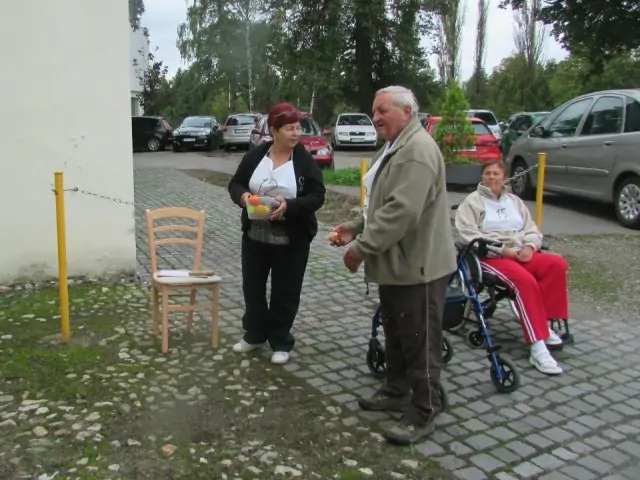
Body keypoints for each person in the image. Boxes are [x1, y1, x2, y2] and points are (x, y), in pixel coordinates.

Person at [329, 86, 457, 446]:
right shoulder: (396, 146)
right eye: (374, 111)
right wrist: (355, 225)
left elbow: (401, 212)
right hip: (398, 266)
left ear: (406, 110)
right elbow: (379, 203)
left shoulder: (416, 151)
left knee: (420, 341)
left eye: (382, 110)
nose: (376, 117)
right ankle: (396, 390)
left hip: (419, 267)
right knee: (398, 335)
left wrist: (361, 247)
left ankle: (423, 411)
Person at [228, 102, 326, 365]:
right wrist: (243, 196)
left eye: (298, 128)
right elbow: (235, 184)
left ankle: (281, 340)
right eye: (290, 129)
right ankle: (255, 334)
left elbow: (318, 196)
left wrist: (289, 206)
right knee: (253, 287)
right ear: (274, 130)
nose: (296, 134)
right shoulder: (256, 156)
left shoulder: (303, 160)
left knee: (286, 290)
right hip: (255, 236)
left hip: (292, 239)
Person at [454, 160, 568, 376]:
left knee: (556, 264)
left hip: (520, 252)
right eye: (487, 173)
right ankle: (537, 347)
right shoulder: (472, 202)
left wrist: (530, 246)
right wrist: (501, 249)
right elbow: (468, 234)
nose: (491, 177)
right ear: (482, 176)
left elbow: (532, 229)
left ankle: (544, 325)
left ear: (504, 177)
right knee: (524, 280)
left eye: (496, 173)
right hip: (491, 257)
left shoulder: (514, 201)